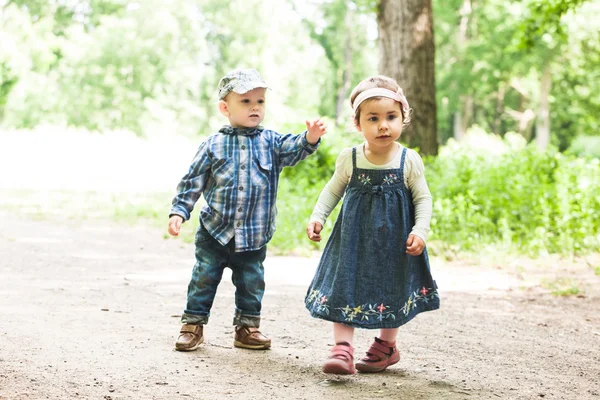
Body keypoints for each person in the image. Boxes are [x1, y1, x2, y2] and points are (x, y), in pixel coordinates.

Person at [169, 68, 327, 352]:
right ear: (224, 108)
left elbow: (295, 148)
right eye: (245, 101)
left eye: (260, 101)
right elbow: (192, 181)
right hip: (214, 231)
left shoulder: (271, 142)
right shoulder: (213, 145)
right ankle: (192, 325)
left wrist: (310, 138)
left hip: (254, 234)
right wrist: (179, 212)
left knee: (252, 282)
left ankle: (247, 328)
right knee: (203, 278)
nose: (255, 107)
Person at [304, 75, 439, 374]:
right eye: (373, 118)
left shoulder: (408, 160)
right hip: (352, 240)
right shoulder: (350, 158)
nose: (383, 125)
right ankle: (342, 349)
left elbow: (423, 198)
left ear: (403, 118)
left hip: (395, 242)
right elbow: (332, 190)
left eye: (391, 117)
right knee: (344, 284)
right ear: (358, 124)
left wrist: (420, 231)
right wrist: (318, 217)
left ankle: (386, 346)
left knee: (392, 286)